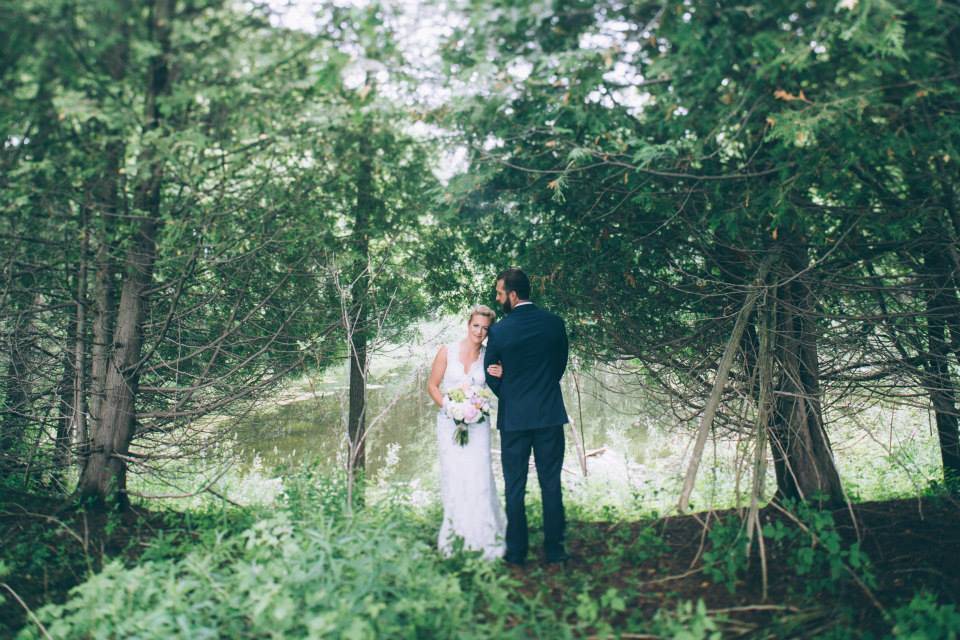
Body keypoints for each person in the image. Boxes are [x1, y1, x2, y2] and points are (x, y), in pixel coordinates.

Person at [484, 268, 570, 566]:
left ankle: (517, 552)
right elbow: (559, 366)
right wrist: (541, 386)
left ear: (512, 294)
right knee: (551, 482)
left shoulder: (499, 331)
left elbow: (490, 373)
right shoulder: (555, 324)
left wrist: (510, 390)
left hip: (515, 420)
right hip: (549, 414)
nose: (497, 299)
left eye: (499, 293)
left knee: (515, 486)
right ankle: (555, 550)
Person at [426, 304, 506, 560]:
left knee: (480, 475)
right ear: (468, 324)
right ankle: (457, 534)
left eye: (485, 328)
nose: (480, 332)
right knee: (455, 475)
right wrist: (450, 407)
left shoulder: (489, 356)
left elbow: (497, 386)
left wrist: (501, 374)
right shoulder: (446, 351)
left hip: (479, 426)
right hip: (449, 423)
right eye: (476, 326)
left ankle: (485, 536)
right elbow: (432, 386)